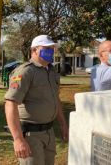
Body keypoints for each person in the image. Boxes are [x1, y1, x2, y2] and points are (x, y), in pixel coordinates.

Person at [4, 35, 68, 165]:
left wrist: (63, 125)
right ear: (34, 50)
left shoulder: (51, 71)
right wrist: (18, 139)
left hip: (49, 132)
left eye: (52, 48)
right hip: (30, 135)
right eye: (47, 48)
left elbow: (56, 99)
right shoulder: (26, 71)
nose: (51, 51)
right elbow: (10, 104)